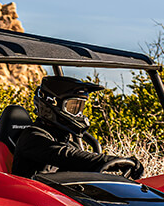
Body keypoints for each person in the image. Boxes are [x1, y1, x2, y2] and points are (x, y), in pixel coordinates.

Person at [10, 75, 143, 179]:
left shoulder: (69, 143)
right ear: (51, 104)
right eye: (73, 107)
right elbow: (65, 155)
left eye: (80, 107)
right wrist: (113, 161)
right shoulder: (33, 138)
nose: (78, 114)